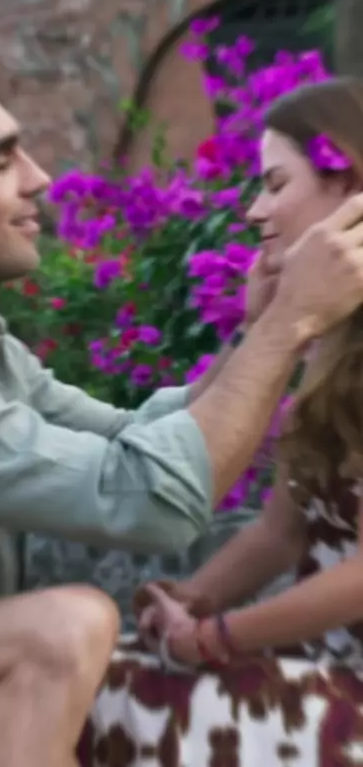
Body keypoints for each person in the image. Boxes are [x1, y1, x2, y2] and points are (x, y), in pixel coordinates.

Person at [0, 57, 362, 767]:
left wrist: (258, 332)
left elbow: (130, 438)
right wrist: (287, 325)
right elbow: (141, 497)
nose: (40, 179)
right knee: (66, 631)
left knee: (89, 680)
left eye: (273, 184)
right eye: (2, 161)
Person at [84, 76, 363, 767]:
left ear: (348, 187)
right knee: (87, 676)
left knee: (97, 699)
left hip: (348, 696)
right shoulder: (336, 344)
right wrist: (187, 602)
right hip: (328, 673)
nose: (255, 209)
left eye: (275, 184)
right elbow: (278, 533)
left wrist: (217, 638)